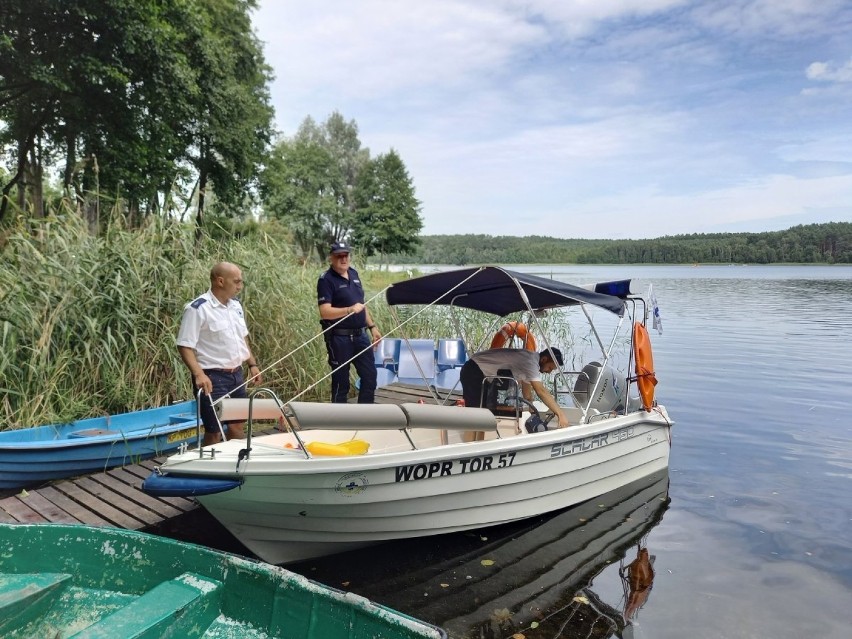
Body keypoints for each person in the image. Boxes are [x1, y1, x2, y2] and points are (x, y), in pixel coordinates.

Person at [177, 262, 262, 445]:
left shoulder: (236, 306)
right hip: (212, 378)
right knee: (214, 430)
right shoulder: (198, 308)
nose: (240, 286)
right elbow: (185, 345)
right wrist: (198, 374)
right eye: (237, 281)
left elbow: (242, 339)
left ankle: (234, 465)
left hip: (236, 376)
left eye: (241, 282)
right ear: (220, 281)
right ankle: (210, 468)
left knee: (237, 426)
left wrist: (252, 364)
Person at [317, 241, 381, 403]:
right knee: (341, 382)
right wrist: (348, 309)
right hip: (339, 338)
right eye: (339, 256)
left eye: (346, 255)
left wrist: (372, 327)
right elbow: (325, 312)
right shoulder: (326, 280)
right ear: (331, 258)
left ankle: (364, 417)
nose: (343, 259)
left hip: (361, 335)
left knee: (370, 376)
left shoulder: (354, 274)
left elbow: (362, 305)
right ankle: (339, 422)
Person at [460, 347, 570, 431]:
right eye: (550, 367)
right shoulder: (530, 362)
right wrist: (560, 414)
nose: (549, 372)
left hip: (484, 375)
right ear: (544, 359)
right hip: (474, 370)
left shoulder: (530, 362)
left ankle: (483, 440)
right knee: (476, 414)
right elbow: (541, 391)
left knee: (489, 412)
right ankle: (472, 443)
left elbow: (528, 396)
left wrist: (533, 417)